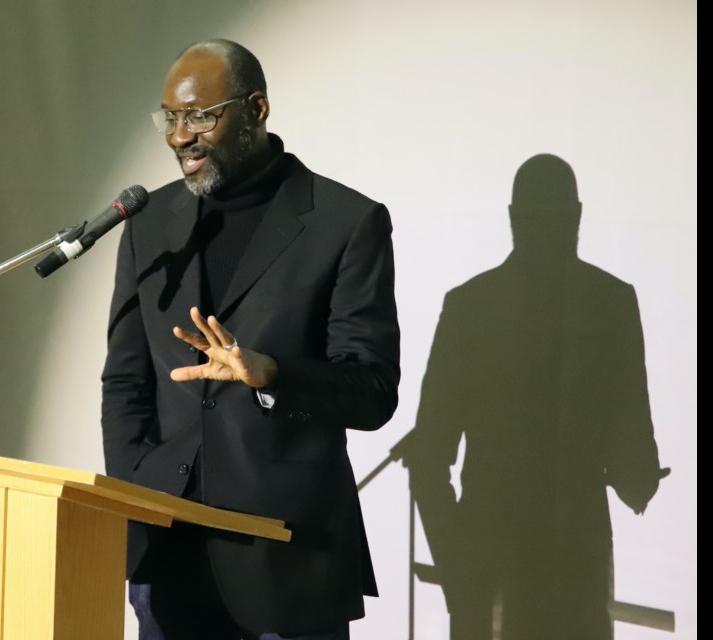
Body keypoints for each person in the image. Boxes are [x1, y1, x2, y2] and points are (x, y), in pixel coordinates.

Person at [101, 39, 400, 639]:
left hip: (287, 554)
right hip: (167, 550)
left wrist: (273, 374)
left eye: (201, 116)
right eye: (171, 117)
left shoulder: (345, 223)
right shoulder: (148, 225)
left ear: (257, 110)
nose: (179, 136)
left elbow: (372, 391)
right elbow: (126, 379)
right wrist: (139, 489)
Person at [403, 154, 665, 640]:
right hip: (576, 557)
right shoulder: (612, 302)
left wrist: (457, 560)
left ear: (512, 216)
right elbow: (635, 447)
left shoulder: (468, 305)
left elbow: (429, 454)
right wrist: (638, 481)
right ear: (578, 214)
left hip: (485, 555)